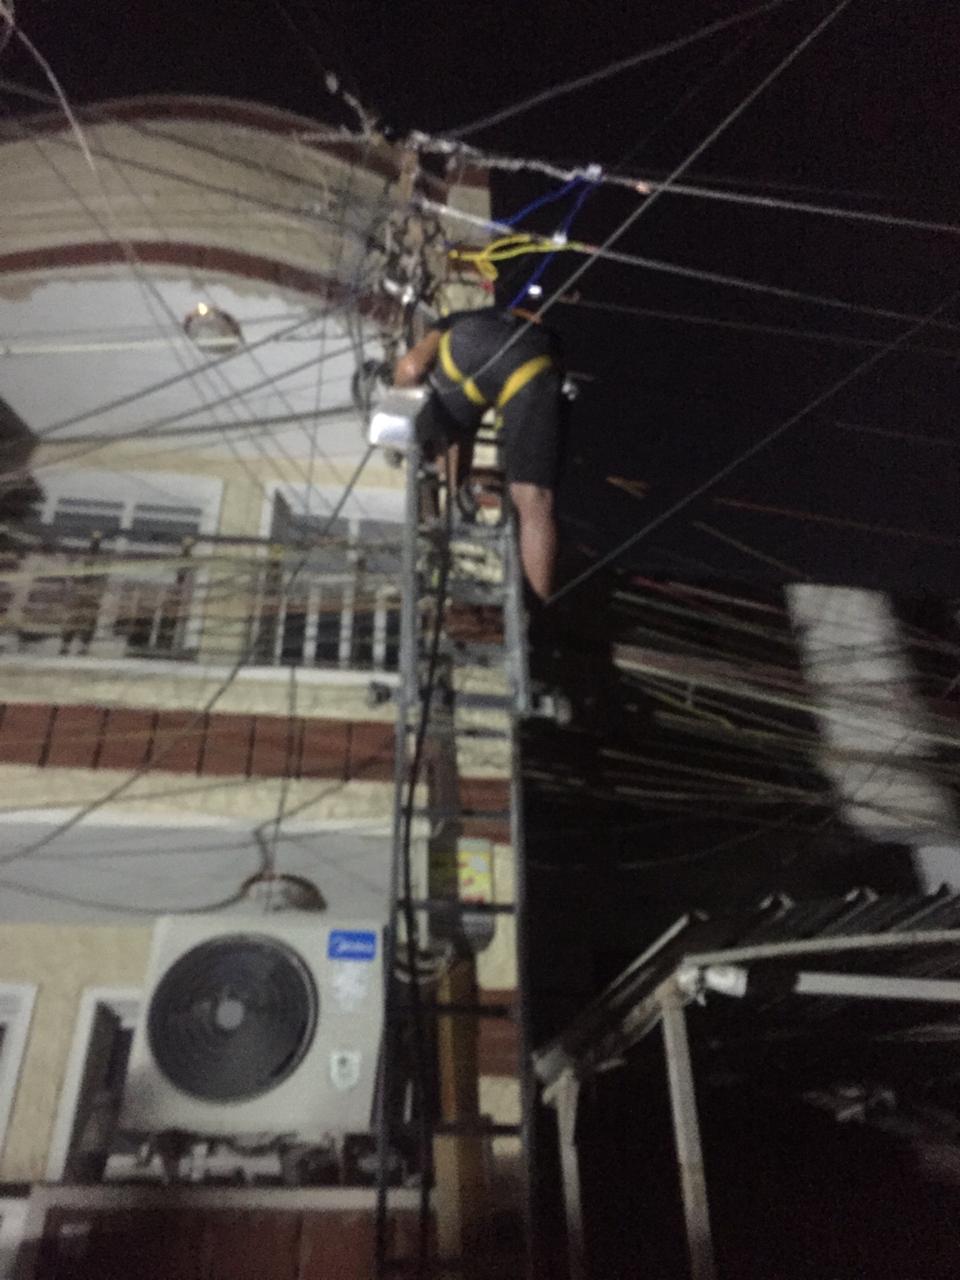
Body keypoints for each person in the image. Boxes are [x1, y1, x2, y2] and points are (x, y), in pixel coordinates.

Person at [393, 306, 565, 602]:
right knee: (532, 498)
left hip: (479, 360)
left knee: (528, 496)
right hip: (534, 355)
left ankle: (538, 608)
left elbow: (411, 368)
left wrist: (399, 400)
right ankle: (538, 606)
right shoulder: (463, 326)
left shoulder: (447, 336)